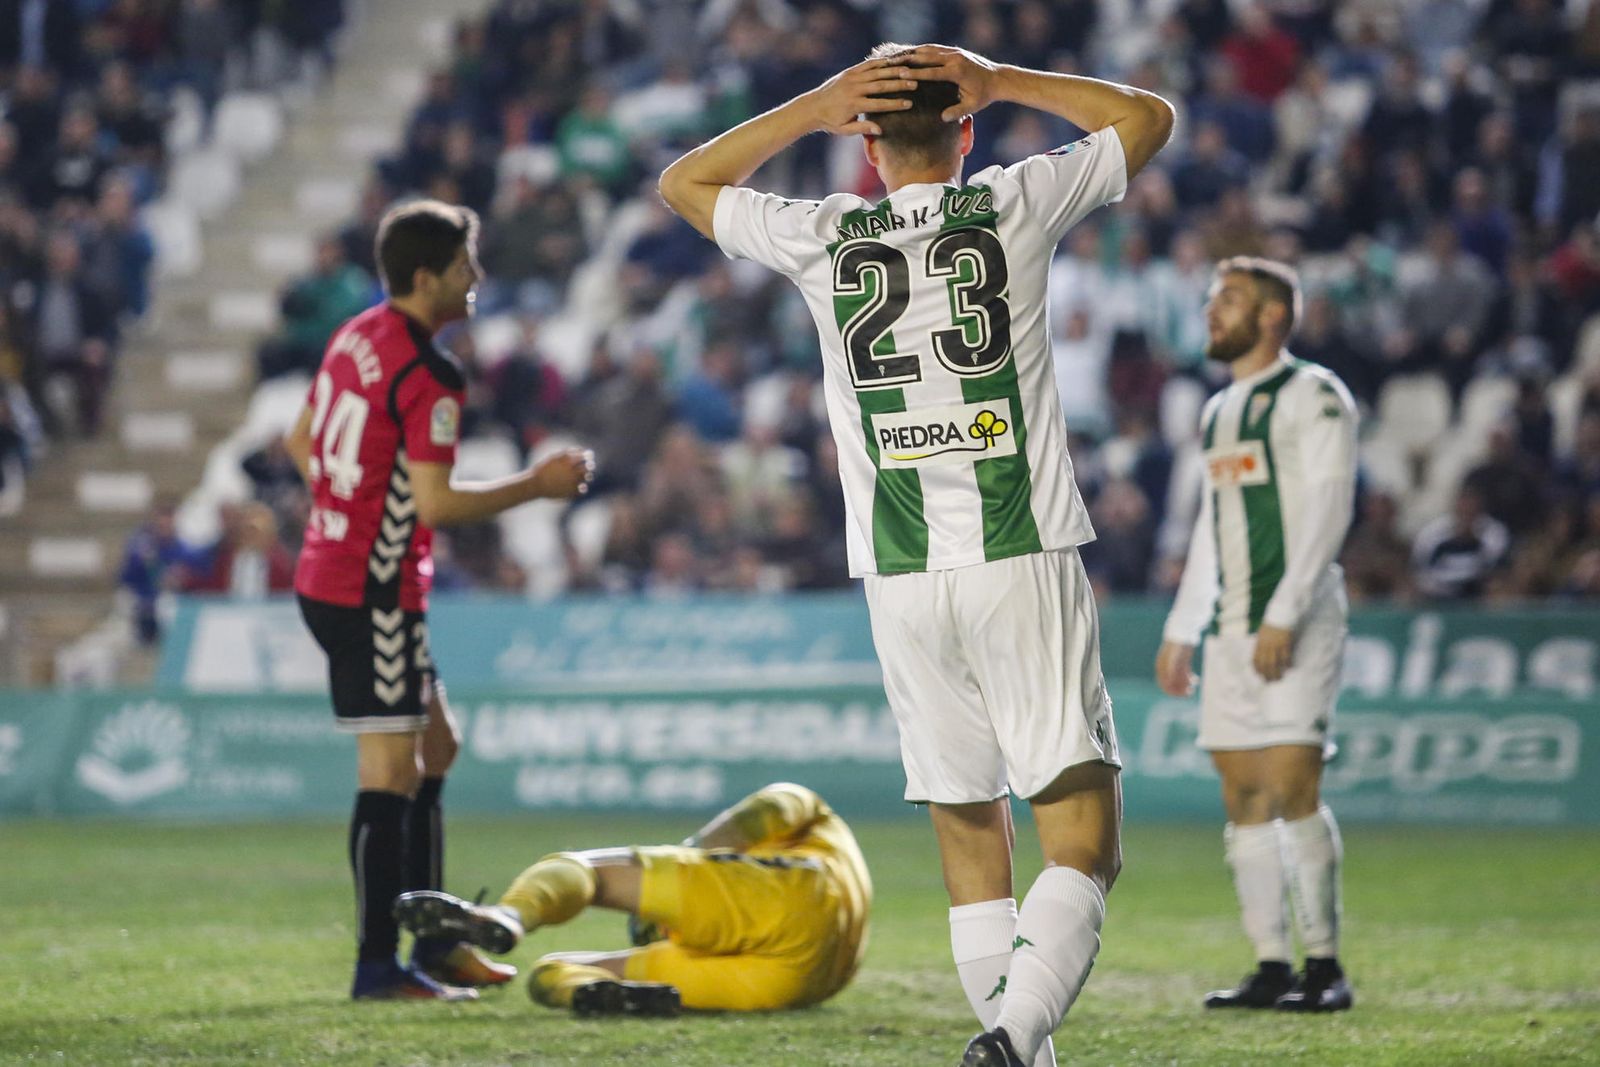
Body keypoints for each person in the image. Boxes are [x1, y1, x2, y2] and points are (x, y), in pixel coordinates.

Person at [658, 44, 1174, 1067]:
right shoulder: (1009, 205)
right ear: (965, 127)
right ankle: (1016, 1038)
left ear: (863, 137)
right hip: (1017, 548)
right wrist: (1006, 77)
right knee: (1084, 840)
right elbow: (1146, 119)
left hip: (896, 571)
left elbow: (684, 184)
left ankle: (1016, 1048)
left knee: (970, 840)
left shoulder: (822, 235)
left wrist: (809, 105)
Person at [284, 199, 594, 1001]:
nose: (477, 278)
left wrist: (341, 506)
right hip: (370, 591)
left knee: (436, 748)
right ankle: (379, 964)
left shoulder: (355, 335)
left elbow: (298, 439)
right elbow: (436, 506)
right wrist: (538, 483)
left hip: (348, 575)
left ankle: (435, 940)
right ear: (428, 278)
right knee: (388, 770)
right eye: (465, 266)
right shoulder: (430, 374)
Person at [1154, 257, 1359, 1014]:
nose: (1213, 310)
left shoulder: (1314, 396)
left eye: (1231, 299)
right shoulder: (1218, 412)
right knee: (1242, 793)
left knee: (1292, 786)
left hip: (1296, 621)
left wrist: (1285, 611)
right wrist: (1184, 627)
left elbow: (1330, 507)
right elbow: (1213, 529)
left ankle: (1326, 966)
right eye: (1212, 297)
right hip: (1232, 629)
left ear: (1274, 315)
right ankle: (1271, 963)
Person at [394, 782, 871, 1016]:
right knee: (548, 975)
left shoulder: (806, 824)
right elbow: (776, 805)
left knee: (588, 872)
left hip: (789, 903)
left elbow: (774, 805)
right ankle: (591, 994)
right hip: (805, 980)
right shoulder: (825, 831)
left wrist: (691, 857)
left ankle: (508, 914)